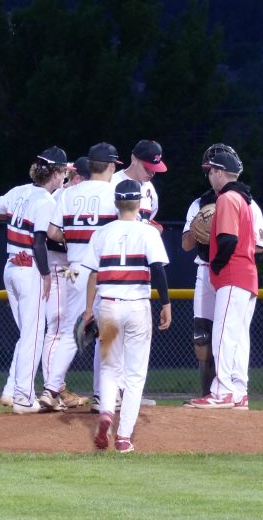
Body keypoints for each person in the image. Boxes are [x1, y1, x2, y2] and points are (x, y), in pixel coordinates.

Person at [81, 179, 172, 452]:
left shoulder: (102, 233)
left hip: (108, 305)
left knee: (110, 368)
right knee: (135, 375)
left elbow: (93, 275)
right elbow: (158, 270)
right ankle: (123, 437)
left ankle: (107, 411)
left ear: (116, 203)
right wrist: (166, 303)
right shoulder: (147, 232)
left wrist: (88, 310)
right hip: (137, 307)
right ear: (139, 203)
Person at [0, 146, 70, 414]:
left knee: (27, 335)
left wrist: (12, 217)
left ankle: (12, 391)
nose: (64, 176)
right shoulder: (46, 201)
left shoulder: (17, 192)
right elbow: (40, 240)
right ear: (54, 173)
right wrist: (45, 274)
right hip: (30, 268)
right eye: (63, 171)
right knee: (33, 336)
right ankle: (23, 397)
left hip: (10, 266)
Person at [38, 142, 122, 412]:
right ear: (110, 166)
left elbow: (51, 233)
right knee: (106, 332)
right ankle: (104, 397)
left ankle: (51, 390)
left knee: (67, 333)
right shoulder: (115, 193)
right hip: (105, 270)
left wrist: (74, 239)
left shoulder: (68, 193)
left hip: (74, 267)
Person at [182, 144, 263, 404]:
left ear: (220, 172)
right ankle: (239, 392)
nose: (209, 175)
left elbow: (229, 239)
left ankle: (221, 392)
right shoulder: (243, 198)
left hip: (232, 273)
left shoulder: (228, 199)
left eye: (212, 171)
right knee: (238, 336)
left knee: (222, 333)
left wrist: (217, 263)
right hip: (246, 275)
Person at [90, 140, 168, 412]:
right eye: (149, 166)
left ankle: (123, 393)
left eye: (156, 167)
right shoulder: (113, 184)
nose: (152, 172)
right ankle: (103, 394)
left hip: (137, 273)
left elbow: (146, 222)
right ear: (134, 159)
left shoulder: (150, 190)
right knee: (109, 338)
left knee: (125, 339)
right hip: (111, 270)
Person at [41, 156, 91, 409]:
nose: (71, 177)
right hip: (58, 265)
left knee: (60, 326)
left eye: (73, 173)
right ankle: (54, 390)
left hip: (66, 266)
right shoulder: (64, 196)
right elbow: (49, 235)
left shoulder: (68, 195)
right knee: (59, 326)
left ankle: (56, 389)